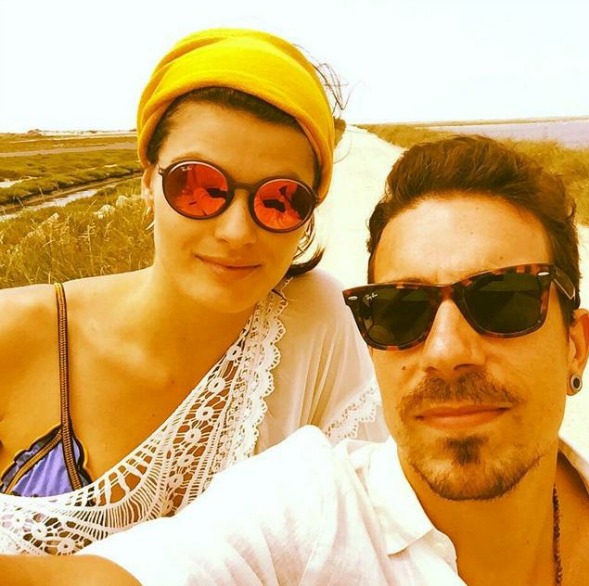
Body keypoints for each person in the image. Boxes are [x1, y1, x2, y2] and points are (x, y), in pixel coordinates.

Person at [3, 134, 589, 585]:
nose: (446, 352)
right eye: (399, 311)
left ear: (576, 343)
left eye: (504, 301)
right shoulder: (308, 512)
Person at [0, 28, 388, 554]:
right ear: (147, 182)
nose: (236, 231)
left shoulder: (316, 325)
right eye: (199, 187)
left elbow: (373, 535)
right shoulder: (15, 335)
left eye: (280, 199)